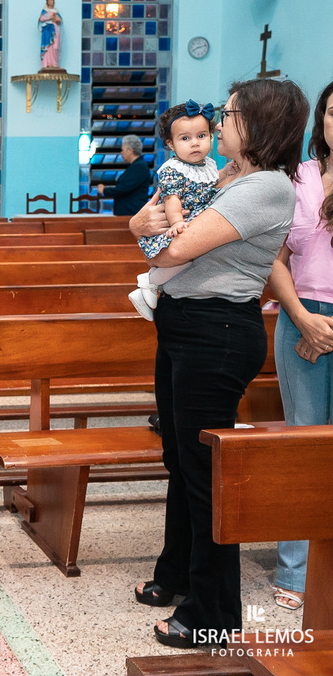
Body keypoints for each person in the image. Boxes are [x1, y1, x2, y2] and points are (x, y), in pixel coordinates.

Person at [128, 78, 307, 649]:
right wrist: (142, 227)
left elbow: (175, 247)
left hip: (218, 331)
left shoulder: (268, 188)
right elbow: (150, 229)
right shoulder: (228, 178)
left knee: (205, 475)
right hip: (182, 322)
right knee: (179, 458)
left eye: (227, 113)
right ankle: (175, 576)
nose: (219, 121)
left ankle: (213, 615)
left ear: (257, 124)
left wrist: (146, 229)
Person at [269, 79, 333, 613]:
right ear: (322, 122)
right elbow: (275, 257)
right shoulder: (299, 178)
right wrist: (303, 319)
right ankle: (295, 569)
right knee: (304, 441)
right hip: (302, 315)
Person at [127, 102, 223, 320]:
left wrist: (228, 172)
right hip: (177, 223)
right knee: (187, 258)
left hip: (196, 221)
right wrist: (177, 221)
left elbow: (212, 185)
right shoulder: (173, 169)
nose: (195, 144)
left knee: (192, 259)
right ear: (171, 144)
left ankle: (150, 286)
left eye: (201, 135)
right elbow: (171, 199)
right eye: (185, 138)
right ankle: (150, 282)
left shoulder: (208, 164)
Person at [98, 134, 154, 216]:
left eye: (122, 150)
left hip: (132, 213)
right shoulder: (135, 166)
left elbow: (124, 188)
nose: (121, 153)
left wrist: (104, 190)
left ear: (130, 150)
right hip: (127, 213)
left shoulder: (140, 167)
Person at [39, 0, 62, 70]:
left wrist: (55, 18)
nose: (50, 2)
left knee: (55, 46)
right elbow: (41, 18)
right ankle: (47, 63)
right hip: (47, 29)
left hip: (54, 29)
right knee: (48, 46)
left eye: (51, 0)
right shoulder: (45, 10)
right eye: (49, 1)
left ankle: (54, 63)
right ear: (47, 2)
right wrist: (49, 18)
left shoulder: (55, 11)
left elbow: (60, 20)